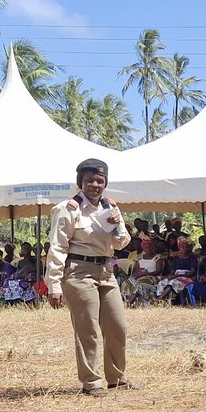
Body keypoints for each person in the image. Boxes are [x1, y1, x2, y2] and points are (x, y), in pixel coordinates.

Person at [45, 159, 133, 396]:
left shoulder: (110, 208)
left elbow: (122, 242)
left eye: (100, 181)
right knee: (88, 329)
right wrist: (54, 284)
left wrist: (116, 226)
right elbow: (58, 247)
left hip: (106, 270)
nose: (95, 185)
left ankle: (117, 378)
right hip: (78, 271)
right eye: (89, 180)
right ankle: (91, 382)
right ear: (80, 182)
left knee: (118, 326)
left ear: (105, 184)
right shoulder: (68, 209)